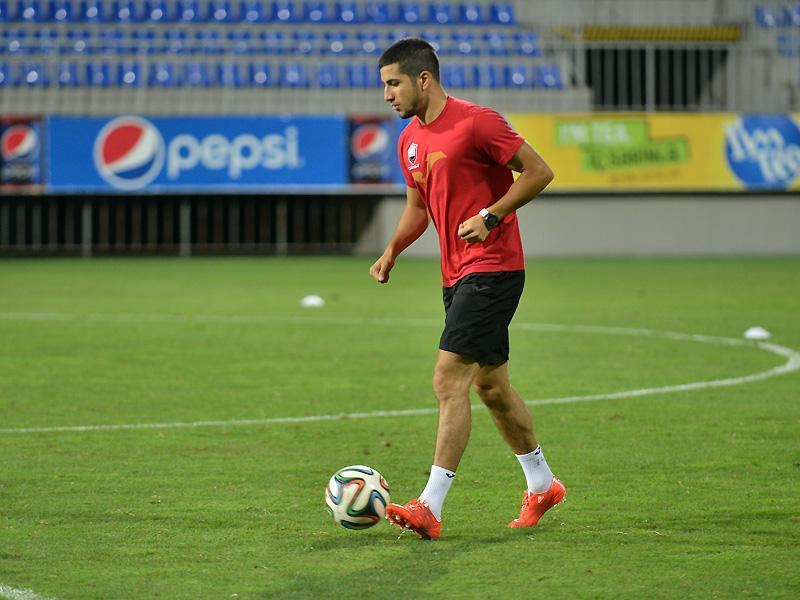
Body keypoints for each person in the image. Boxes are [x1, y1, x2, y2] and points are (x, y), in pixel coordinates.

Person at [369, 38, 564, 540]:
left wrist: (491, 215)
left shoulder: (478, 122)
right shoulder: (408, 140)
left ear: (423, 79)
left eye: (393, 83)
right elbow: (418, 208)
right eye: (384, 86)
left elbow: (539, 171)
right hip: (455, 276)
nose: (387, 95)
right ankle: (542, 484)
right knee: (491, 388)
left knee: (448, 378)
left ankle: (429, 506)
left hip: (494, 268)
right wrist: (392, 250)